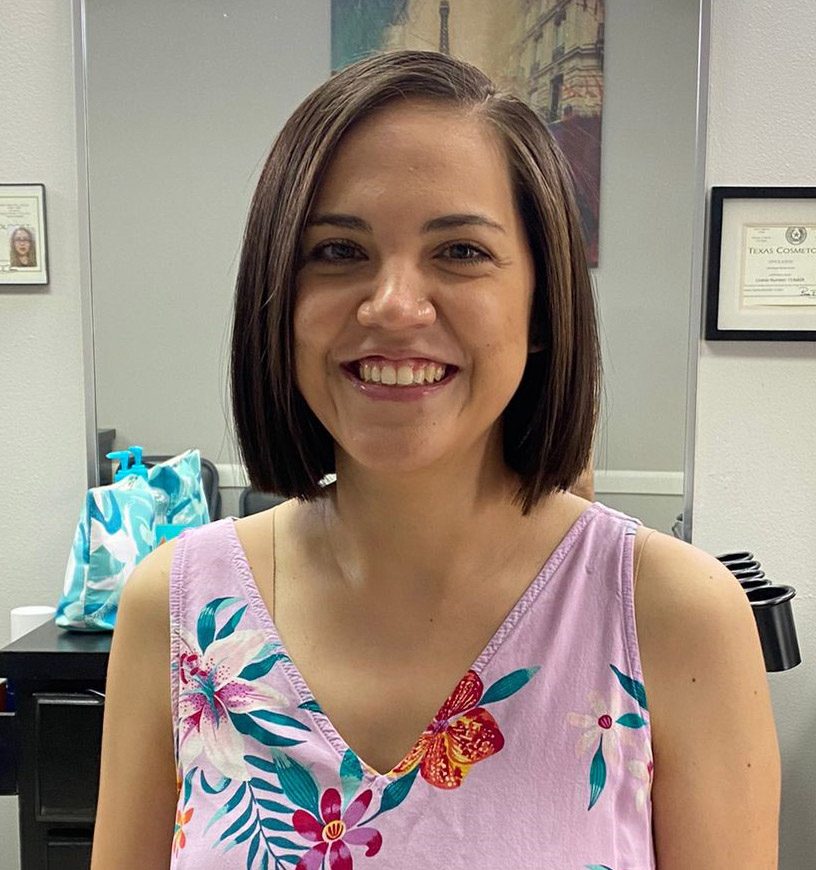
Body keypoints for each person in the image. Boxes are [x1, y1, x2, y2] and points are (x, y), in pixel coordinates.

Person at [91, 51, 779, 869]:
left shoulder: (675, 618)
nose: (393, 305)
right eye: (337, 252)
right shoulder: (172, 610)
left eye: (460, 252)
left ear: (540, 306)